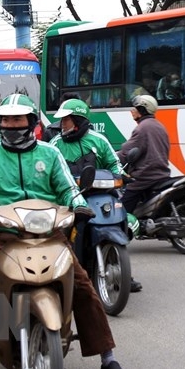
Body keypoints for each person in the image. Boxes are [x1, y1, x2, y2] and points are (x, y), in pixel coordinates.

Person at [0, 94, 123, 369]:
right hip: (5, 233)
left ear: (31, 121)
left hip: (49, 233)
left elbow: (69, 188)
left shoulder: (50, 152)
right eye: (6, 120)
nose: (11, 125)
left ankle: (107, 356)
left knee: (81, 283)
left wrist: (80, 206)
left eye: (17, 119)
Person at [49, 98, 142, 293]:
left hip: (101, 194)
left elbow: (114, 164)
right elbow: (49, 171)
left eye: (66, 119)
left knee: (126, 221)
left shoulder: (99, 140)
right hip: (69, 198)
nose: (62, 124)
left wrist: (123, 175)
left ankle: (119, 268)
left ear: (78, 120)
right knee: (57, 233)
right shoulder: (55, 144)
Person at [117, 94, 171, 215]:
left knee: (121, 211)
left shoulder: (142, 128)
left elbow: (126, 152)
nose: (132, 111)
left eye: (134, 108)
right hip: (161, 174)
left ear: (142, 110)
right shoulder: (159, 126)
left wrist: (111, 159)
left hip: (145, 177)